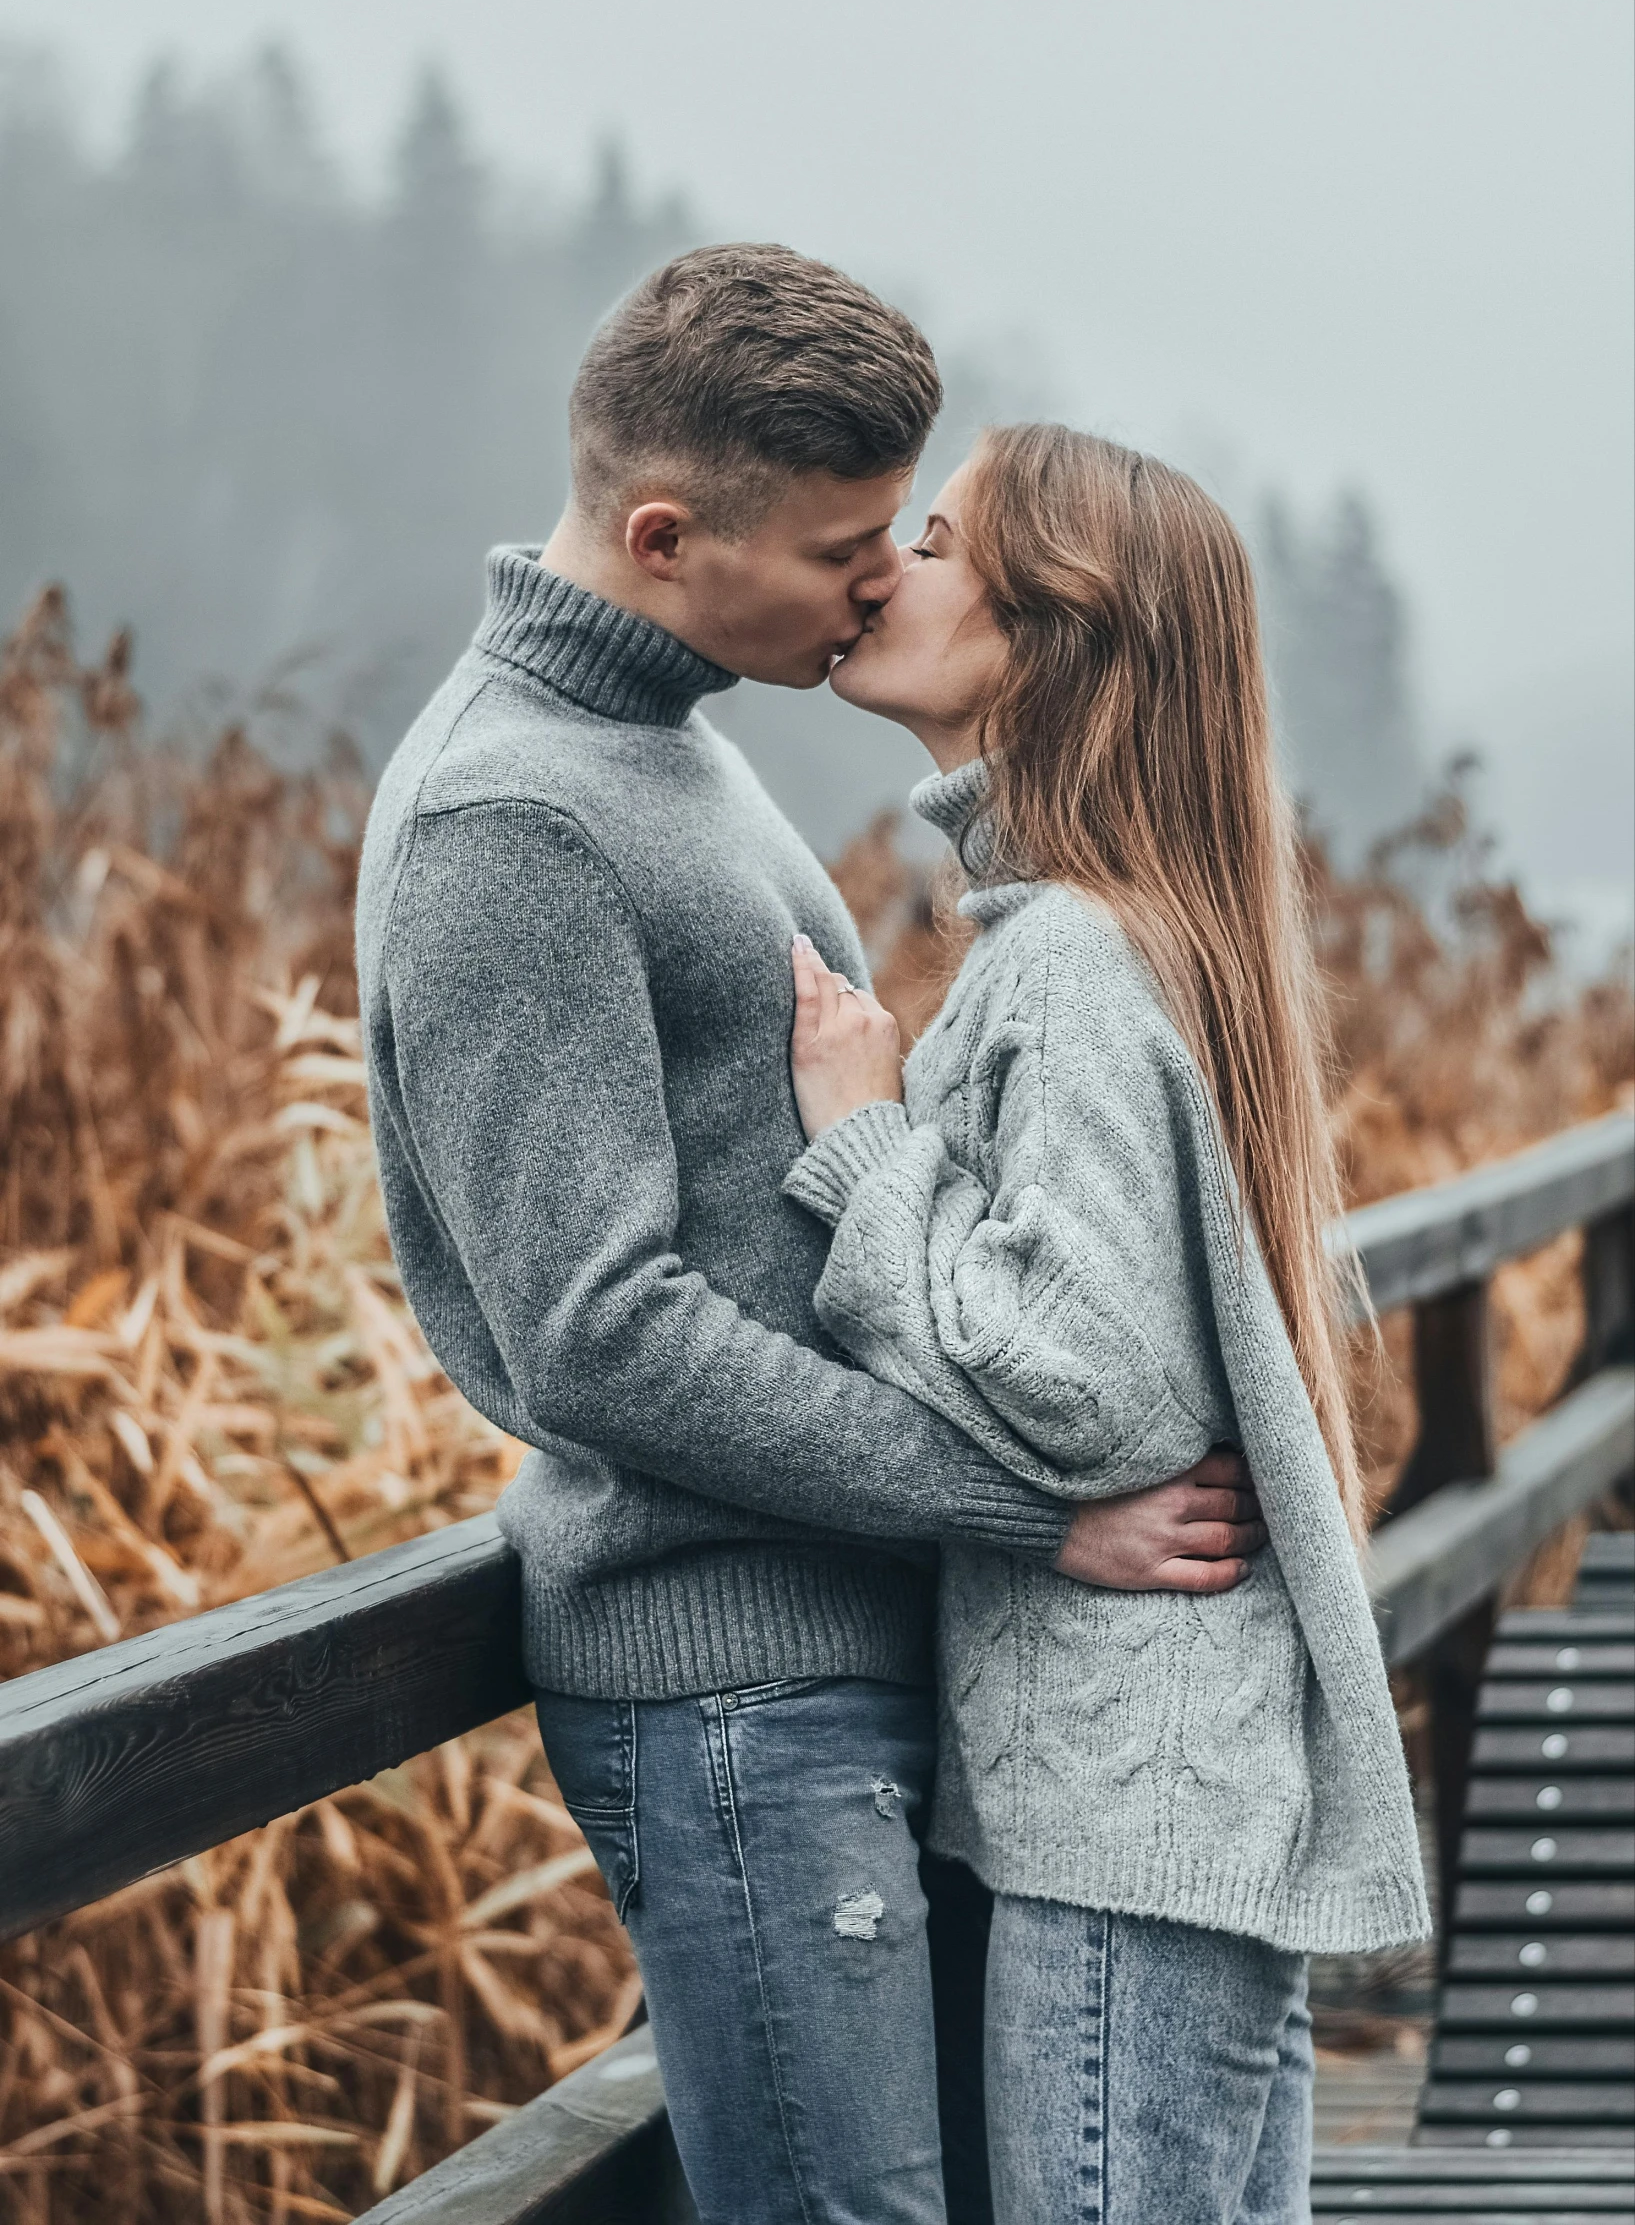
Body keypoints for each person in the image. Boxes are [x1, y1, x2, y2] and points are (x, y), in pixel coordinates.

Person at [355, 249, 1264, 2224]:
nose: (882, 584)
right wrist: (1029, 1506)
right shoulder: (504, 821)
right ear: (667, 534)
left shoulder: (681, 745)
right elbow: (600, 1332)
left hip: (849, 1655)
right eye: (849, 547)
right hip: (728, 1686)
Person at [785, 425, 1431, 2224]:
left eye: (932, 540)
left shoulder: (1065, 955)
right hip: (1174, 1801)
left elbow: (1088, 1386)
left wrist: (864, 1145)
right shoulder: (1125, 933)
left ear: (1046, 627)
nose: (879, 569)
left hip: (1130, 1822)